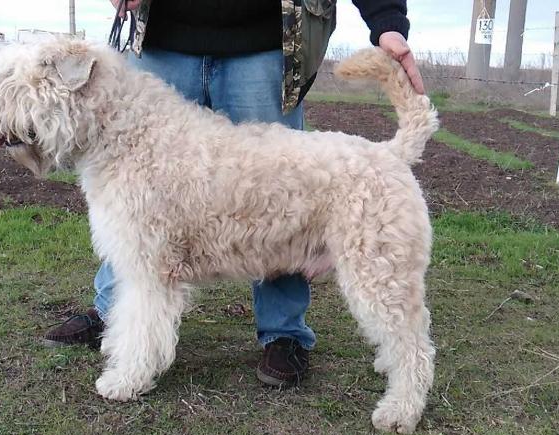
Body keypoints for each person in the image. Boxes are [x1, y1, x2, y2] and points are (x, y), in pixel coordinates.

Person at [44, 0, 423, 388]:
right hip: (164, 38)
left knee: (272, 211)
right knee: (140, 229)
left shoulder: (372, 175)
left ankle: (288, 336)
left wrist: (387, 21)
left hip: (262, 40)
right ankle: (115, 320)